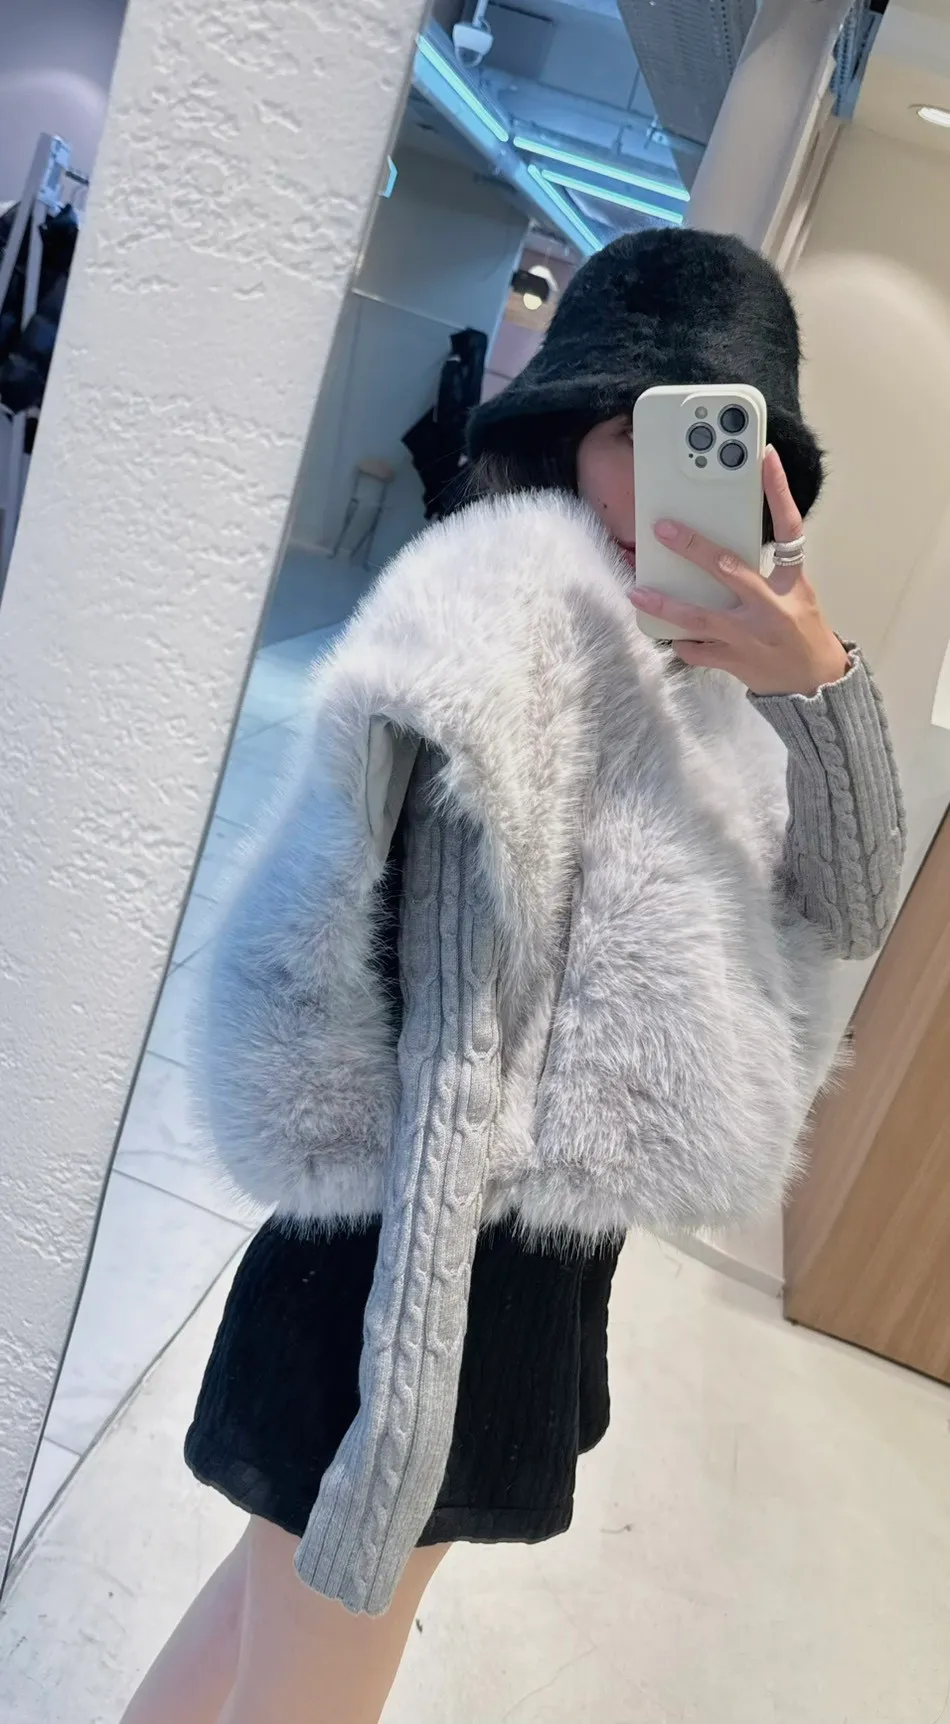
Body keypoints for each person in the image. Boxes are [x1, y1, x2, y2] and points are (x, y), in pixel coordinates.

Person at [120, 230, 905, 1724]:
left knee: (255, 1621)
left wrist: (824, 687)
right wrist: (396, 1430)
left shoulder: (706, 694)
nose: (665, 485)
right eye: (633, 435)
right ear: (561, 440)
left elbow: (848, 908)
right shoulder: (508, 642)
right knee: (306, 1675)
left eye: (710, 443)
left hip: (500, 1290)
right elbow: (454, 1060)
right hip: (406, 1294)